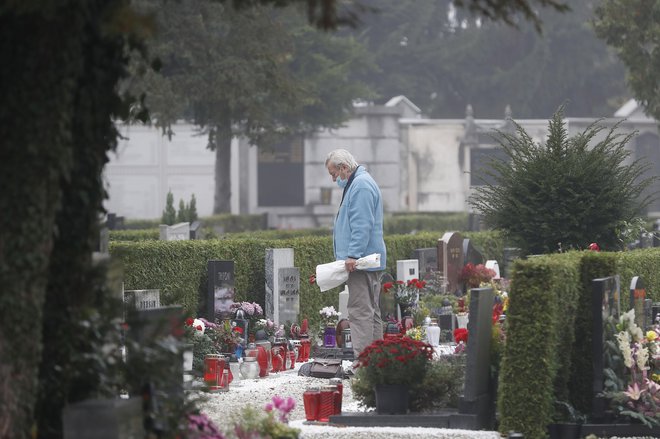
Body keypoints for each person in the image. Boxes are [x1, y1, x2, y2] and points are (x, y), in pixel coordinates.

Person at [325, 149, 386, 359]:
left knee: (359, 312)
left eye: (334, 174)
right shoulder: (360, 183)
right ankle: (376, 361)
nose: (334, 179)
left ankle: (364, 364)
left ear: (344, 168)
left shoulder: (360, 186)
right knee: (372, 312)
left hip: (361, 261)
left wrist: (352, 255)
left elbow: (362, 225)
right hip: (368, 260)